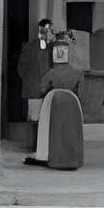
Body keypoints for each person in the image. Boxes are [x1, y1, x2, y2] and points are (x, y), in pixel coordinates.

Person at [22, 40, 87, 171]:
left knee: (54, 130)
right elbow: (82, 93)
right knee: (71, 130)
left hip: (54, 101)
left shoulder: (51, 73)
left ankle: (55, 158)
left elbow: (42, 88)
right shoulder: (77, 73)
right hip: (73, 102)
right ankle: (73, 158)